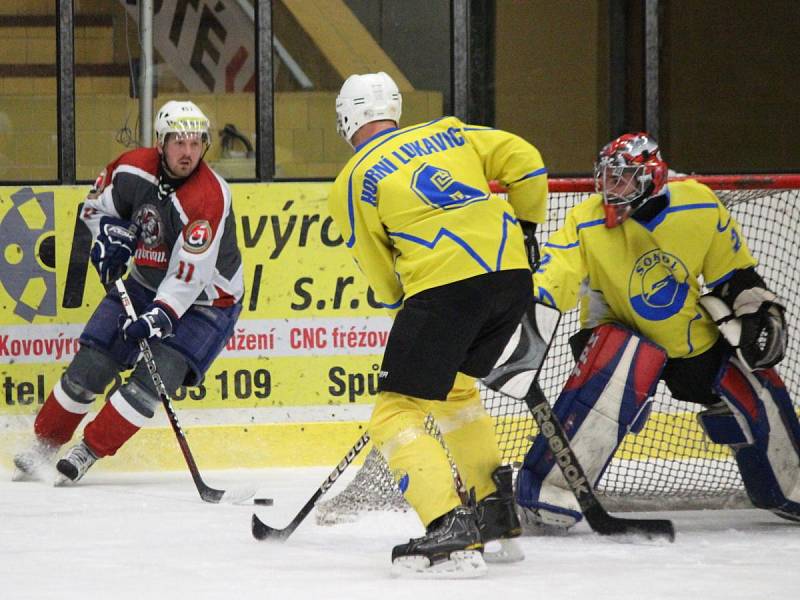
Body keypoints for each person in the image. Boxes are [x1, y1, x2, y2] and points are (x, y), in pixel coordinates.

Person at [516, 132, 800, 530]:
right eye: (607, 177)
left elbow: (733, 274)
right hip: (619, 336)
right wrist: (527, 306)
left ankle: (792, 486)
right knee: (604, 383)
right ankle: (548, 496)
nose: (611, 188)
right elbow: (556, 273)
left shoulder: (699, 205)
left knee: (758, 388)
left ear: (653, 177)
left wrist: (755, 309)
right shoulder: (586, 219)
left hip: (690, 342)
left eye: (624, 178)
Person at [327, 72, 548, 577]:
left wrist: (402, 302)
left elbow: (377, 267)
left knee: (393, 412)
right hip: (511, 280)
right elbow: (527, 161)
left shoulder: (354, 177)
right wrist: (528, 228)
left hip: (446, 290)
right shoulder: (451, 130)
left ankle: (449, 529)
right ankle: (496, 516)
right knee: (454, 391)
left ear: (346, 118)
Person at [13, 100, 243, 485]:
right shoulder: (132, 168)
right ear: (160, 142)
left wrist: (160, 316)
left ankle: (89, 450)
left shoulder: (208, 197)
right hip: (144, 282)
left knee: (156, 379)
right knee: (92, 364)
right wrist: (111, 236)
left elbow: (191, 274)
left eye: (195, 143)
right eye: (178, 142)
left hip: (207, 302)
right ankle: (44, 445)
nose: (188, 152)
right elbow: (95, 209)